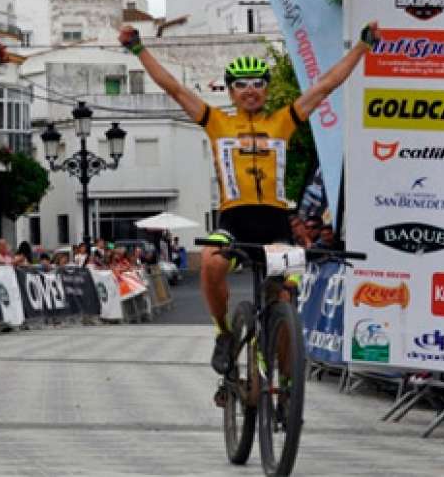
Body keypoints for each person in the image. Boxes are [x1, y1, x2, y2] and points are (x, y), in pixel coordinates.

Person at [120, 21, 377, 375]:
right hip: (234, 221)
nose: (251, 91)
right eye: (242, 85)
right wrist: (138, 49)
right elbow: (175, 89)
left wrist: (362, 47)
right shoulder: (216, 122)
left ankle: (286, 385)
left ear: (267, 90)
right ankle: (224, 333)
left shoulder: (283, 121)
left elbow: (326, 85)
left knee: (284, 295)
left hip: (275, 224)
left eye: (258, 84)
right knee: (211, 263)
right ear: (230, 92)